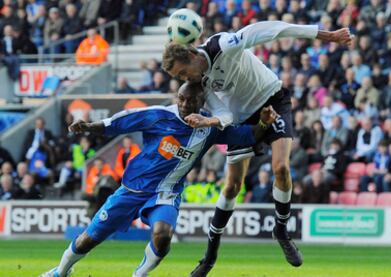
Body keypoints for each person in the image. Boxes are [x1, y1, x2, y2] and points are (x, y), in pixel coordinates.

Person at [162, 19, 352, 274]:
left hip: (272, 100)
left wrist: (324, 35)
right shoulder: (201, 85)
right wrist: (211, 120)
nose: (184, 79)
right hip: (242, 119)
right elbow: (224, 115)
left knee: (281, 168)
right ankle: (209, 257)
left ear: (193, 55)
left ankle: (281, 230)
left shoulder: (224, 44)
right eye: (179, 78)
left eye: (183, 73)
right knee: (231, 187)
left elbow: (271, 29)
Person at [39, 82, 278, 277]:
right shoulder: (158, 116)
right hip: (131, 189)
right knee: (87, 240)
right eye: (181, 99)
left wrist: (263, 123)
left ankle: (139, 275)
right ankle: (60, 272)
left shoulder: (211, 127)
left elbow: (247, 136)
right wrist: (88, 126)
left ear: (202, 103)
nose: (185, 104)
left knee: (163, 235)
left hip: (166, 192)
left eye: (191, 100)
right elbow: (119, 122)